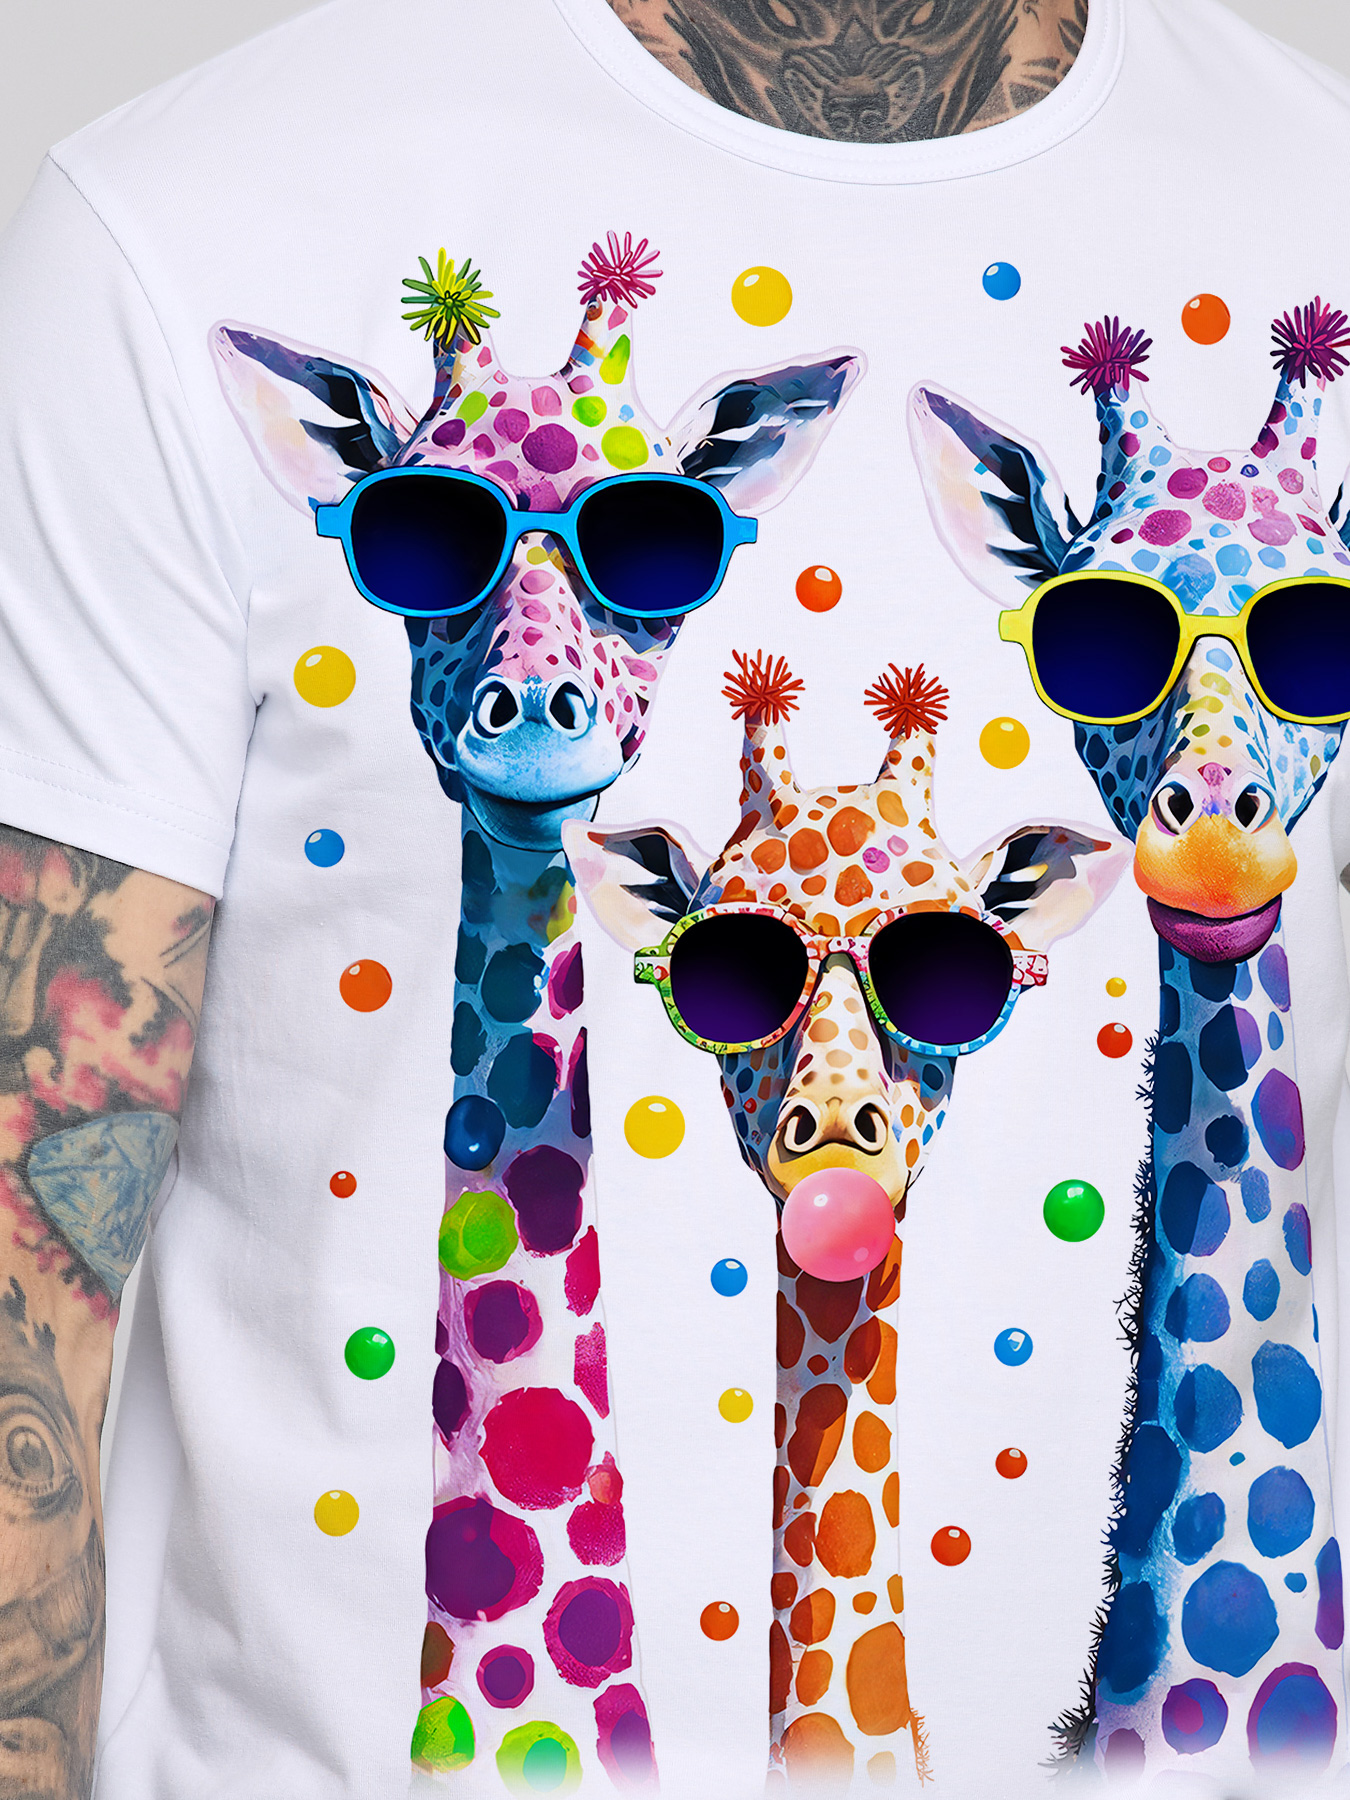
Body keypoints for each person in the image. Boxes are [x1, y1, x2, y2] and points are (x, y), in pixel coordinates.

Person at [1, 0, 1349, 1796]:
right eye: (436, 543)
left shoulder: (1311, 180)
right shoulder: (175, 226)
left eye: (637, 550)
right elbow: (31, 1258)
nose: (536, 654)